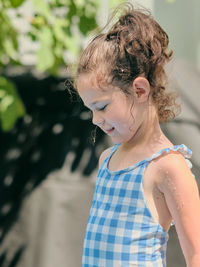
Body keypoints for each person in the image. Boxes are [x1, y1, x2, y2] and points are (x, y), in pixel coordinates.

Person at [75, 3, 200, 266]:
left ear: (140, 91)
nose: (96, 120)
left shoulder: (169, 166)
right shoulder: (107, 160)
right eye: (90, 110)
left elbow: (196, 255)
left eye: (102, 107)